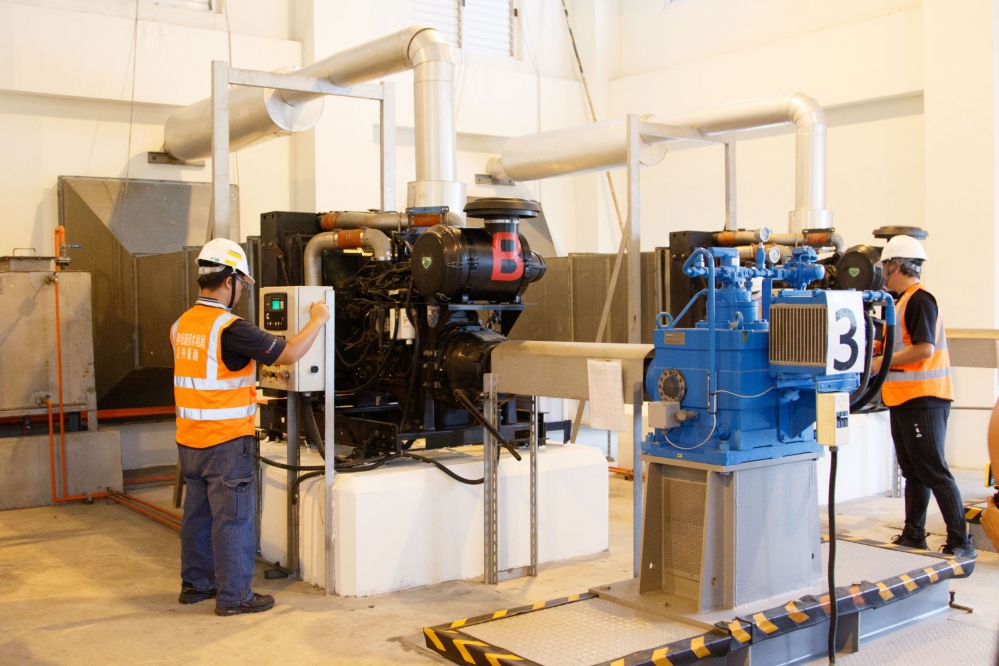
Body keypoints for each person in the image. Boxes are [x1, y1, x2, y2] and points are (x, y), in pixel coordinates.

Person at [170, 238, 330, 615]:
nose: (242, 291)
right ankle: (234, 596)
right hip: (225, 442)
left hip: (188, 441)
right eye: (242, 283)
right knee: (233, 521)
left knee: (197, 517)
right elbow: (288, 353)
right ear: (229, 280)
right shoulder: (231, 327)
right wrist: (318, 319)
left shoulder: (182, 324)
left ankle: (196, 585)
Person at [872, 235, 975, 557]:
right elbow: (897, 344)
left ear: (897, 266)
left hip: (924, 399)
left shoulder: (920, 300)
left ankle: (960, 542)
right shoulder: (900, 302)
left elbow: (924, 348)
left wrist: (880, 362)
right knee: (913, 472)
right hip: (903, 398)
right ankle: (913, 534)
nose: (882, 272)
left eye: (885, 266)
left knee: (934, 471)